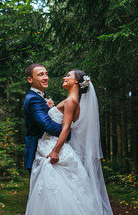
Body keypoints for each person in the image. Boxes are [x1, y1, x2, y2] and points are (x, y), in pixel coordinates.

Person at [25, 69, 113, 215]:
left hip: (54, 146)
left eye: (68, 76)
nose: (64, 77)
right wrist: (52, 108)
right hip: (50, 143)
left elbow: (66, 128)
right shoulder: (71, 101)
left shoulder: (71, 101)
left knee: (55, 192)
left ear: (76, 82)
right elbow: (61, 119)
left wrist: (55, 151)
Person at [23, 64, 66, 173]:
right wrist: (68, 131)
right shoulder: (33, 99)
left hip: (46, 149)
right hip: (39, 152)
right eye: (40, 75)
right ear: (30, 79)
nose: (46, 77)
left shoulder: (39, 97)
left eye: (46, 74)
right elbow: (47, 125)